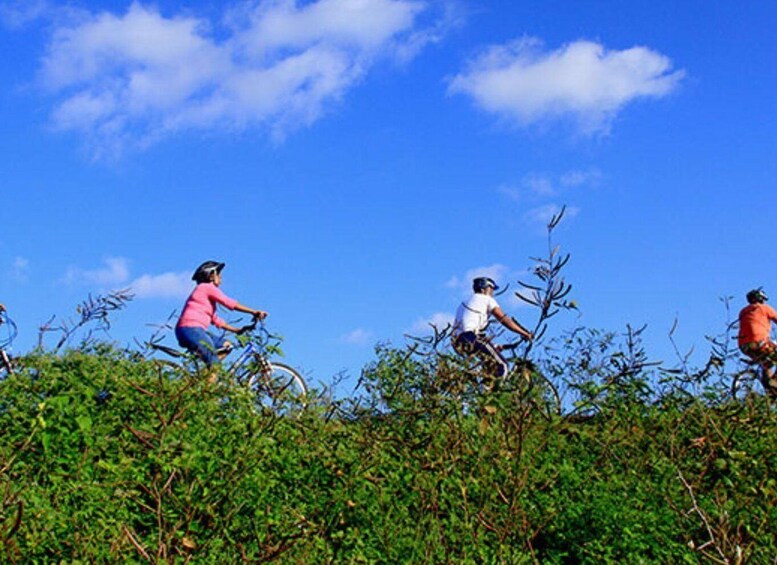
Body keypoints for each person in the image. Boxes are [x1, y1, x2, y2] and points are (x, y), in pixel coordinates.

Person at [176, 261, 267, 372]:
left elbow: (215, 319)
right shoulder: (206, 287)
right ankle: (208, 385)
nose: (221, 278)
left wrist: (236, 330)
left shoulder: (205, 296)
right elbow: (228, 302)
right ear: (211, 276)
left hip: (192, 330)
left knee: (226, 346)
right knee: (214, 364)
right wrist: (253, 312)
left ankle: (206, 376)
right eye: (219, 275)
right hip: (191, 329)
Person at [452, 276, 533, 378]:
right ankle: (492, 391)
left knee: (489, 367)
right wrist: (524, 333)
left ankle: (485, 388)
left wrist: (497, 346)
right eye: (491, 289)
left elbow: (472, 334)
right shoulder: (486, 299)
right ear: (483, 289)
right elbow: (504, 319)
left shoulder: (464, 303)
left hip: (457, 341)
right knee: (502, 366)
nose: (492, 293)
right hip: (470, 337)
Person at [738, 287, 777, 397]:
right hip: (759, 342)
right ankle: (774, 382)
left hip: (743, 346)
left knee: (767, 363)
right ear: (760, 299)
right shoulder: (764, 308)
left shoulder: (743, 311)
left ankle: (770, 390)